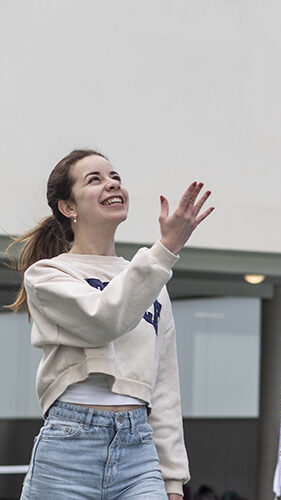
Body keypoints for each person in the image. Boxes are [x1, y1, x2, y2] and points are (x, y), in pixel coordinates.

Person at [7, 149, 213, 499]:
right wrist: (166, 248)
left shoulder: (150, 278)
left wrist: (173, 481)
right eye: (95, 179)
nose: (112, 184)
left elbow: (163, 385)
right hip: (69, 448)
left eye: (115, 176)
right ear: (68, 208)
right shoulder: (48, 275)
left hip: (139, 451)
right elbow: (103, 320)